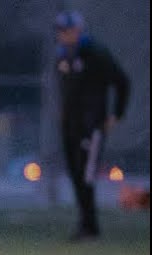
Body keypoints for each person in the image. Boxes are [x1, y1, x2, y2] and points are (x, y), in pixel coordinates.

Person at [52, 10, 129, 242]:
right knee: (76, 173)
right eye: (60, 31)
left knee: (86, 175)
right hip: (70, 125)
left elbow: (122, 82)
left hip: (91, 125)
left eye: (66, 31)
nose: (63, 36)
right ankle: (86, 223)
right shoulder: (63, 55)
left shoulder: (96, 53)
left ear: (77, 30)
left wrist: (116, 114)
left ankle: (90, 225)